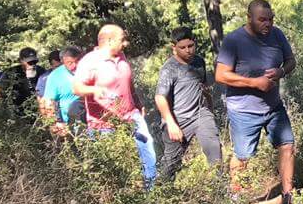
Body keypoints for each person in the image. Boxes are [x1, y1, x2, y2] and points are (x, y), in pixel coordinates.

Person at [215, 0, 297, 204]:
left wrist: (281, 71)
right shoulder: (234, 40)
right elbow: (221, 75)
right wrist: (254, 83)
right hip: (244, 110)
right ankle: (235, 202)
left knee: (287, 146)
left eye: (270, 19)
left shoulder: (277, 35)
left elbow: (291, 61)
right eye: (262, 20)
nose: (267, 24)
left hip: (273, 107)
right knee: (243, 157)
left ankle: (288, 197)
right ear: (249, 18)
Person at [72, 24, 159, 186]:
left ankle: (152, 190)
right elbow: (77, 88)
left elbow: (128, 82)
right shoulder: (90, 61)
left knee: (148, 150)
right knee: (109, 167)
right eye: (122, 40)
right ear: (110, 40)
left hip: (131, 116)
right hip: (103, 123)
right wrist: (94, 89)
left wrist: (137, 102)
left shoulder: (121, 56)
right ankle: (116, 195)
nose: (125, 43)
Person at [154, 27, 223, 182]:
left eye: (190, 46)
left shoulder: (199, 62)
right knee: (171, 164)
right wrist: (171, 124)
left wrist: (210, 109)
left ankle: (220, 189)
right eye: (182, 47)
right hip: (177, 120)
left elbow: (204, 87)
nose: (188, 50)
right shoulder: (169, 69)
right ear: (174, 48)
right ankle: (160, 191)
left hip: (200, 114)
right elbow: (160, 97)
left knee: (214, 149)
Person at [40, 45, 84, 133]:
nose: (74, 65)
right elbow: (48, 101)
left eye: (77, 61)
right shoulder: (55, 76)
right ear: (63, 62)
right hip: (71, 126)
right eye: (70, 63)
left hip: (95, 120)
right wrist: (54, 123)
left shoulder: (90, 69)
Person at [11, 48, 45, 115]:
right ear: (21, 61)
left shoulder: (42, 72)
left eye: (34, 62)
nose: (32, 65)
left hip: (38, 112)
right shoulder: (11, 73)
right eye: (29, 62)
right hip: (17, 114)